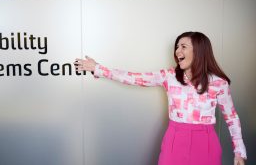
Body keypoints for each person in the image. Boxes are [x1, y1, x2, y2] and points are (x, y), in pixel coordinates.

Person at [74, 31, 246, 165]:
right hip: (175, 139)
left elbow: (231, 117)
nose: (178, 51)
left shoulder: (218, 83)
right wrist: (98, 69)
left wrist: (239, 151)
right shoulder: (169, 76)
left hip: (206, 142)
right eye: (177, 47)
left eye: (183, 46)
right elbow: (134, 78)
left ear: (199, 50)